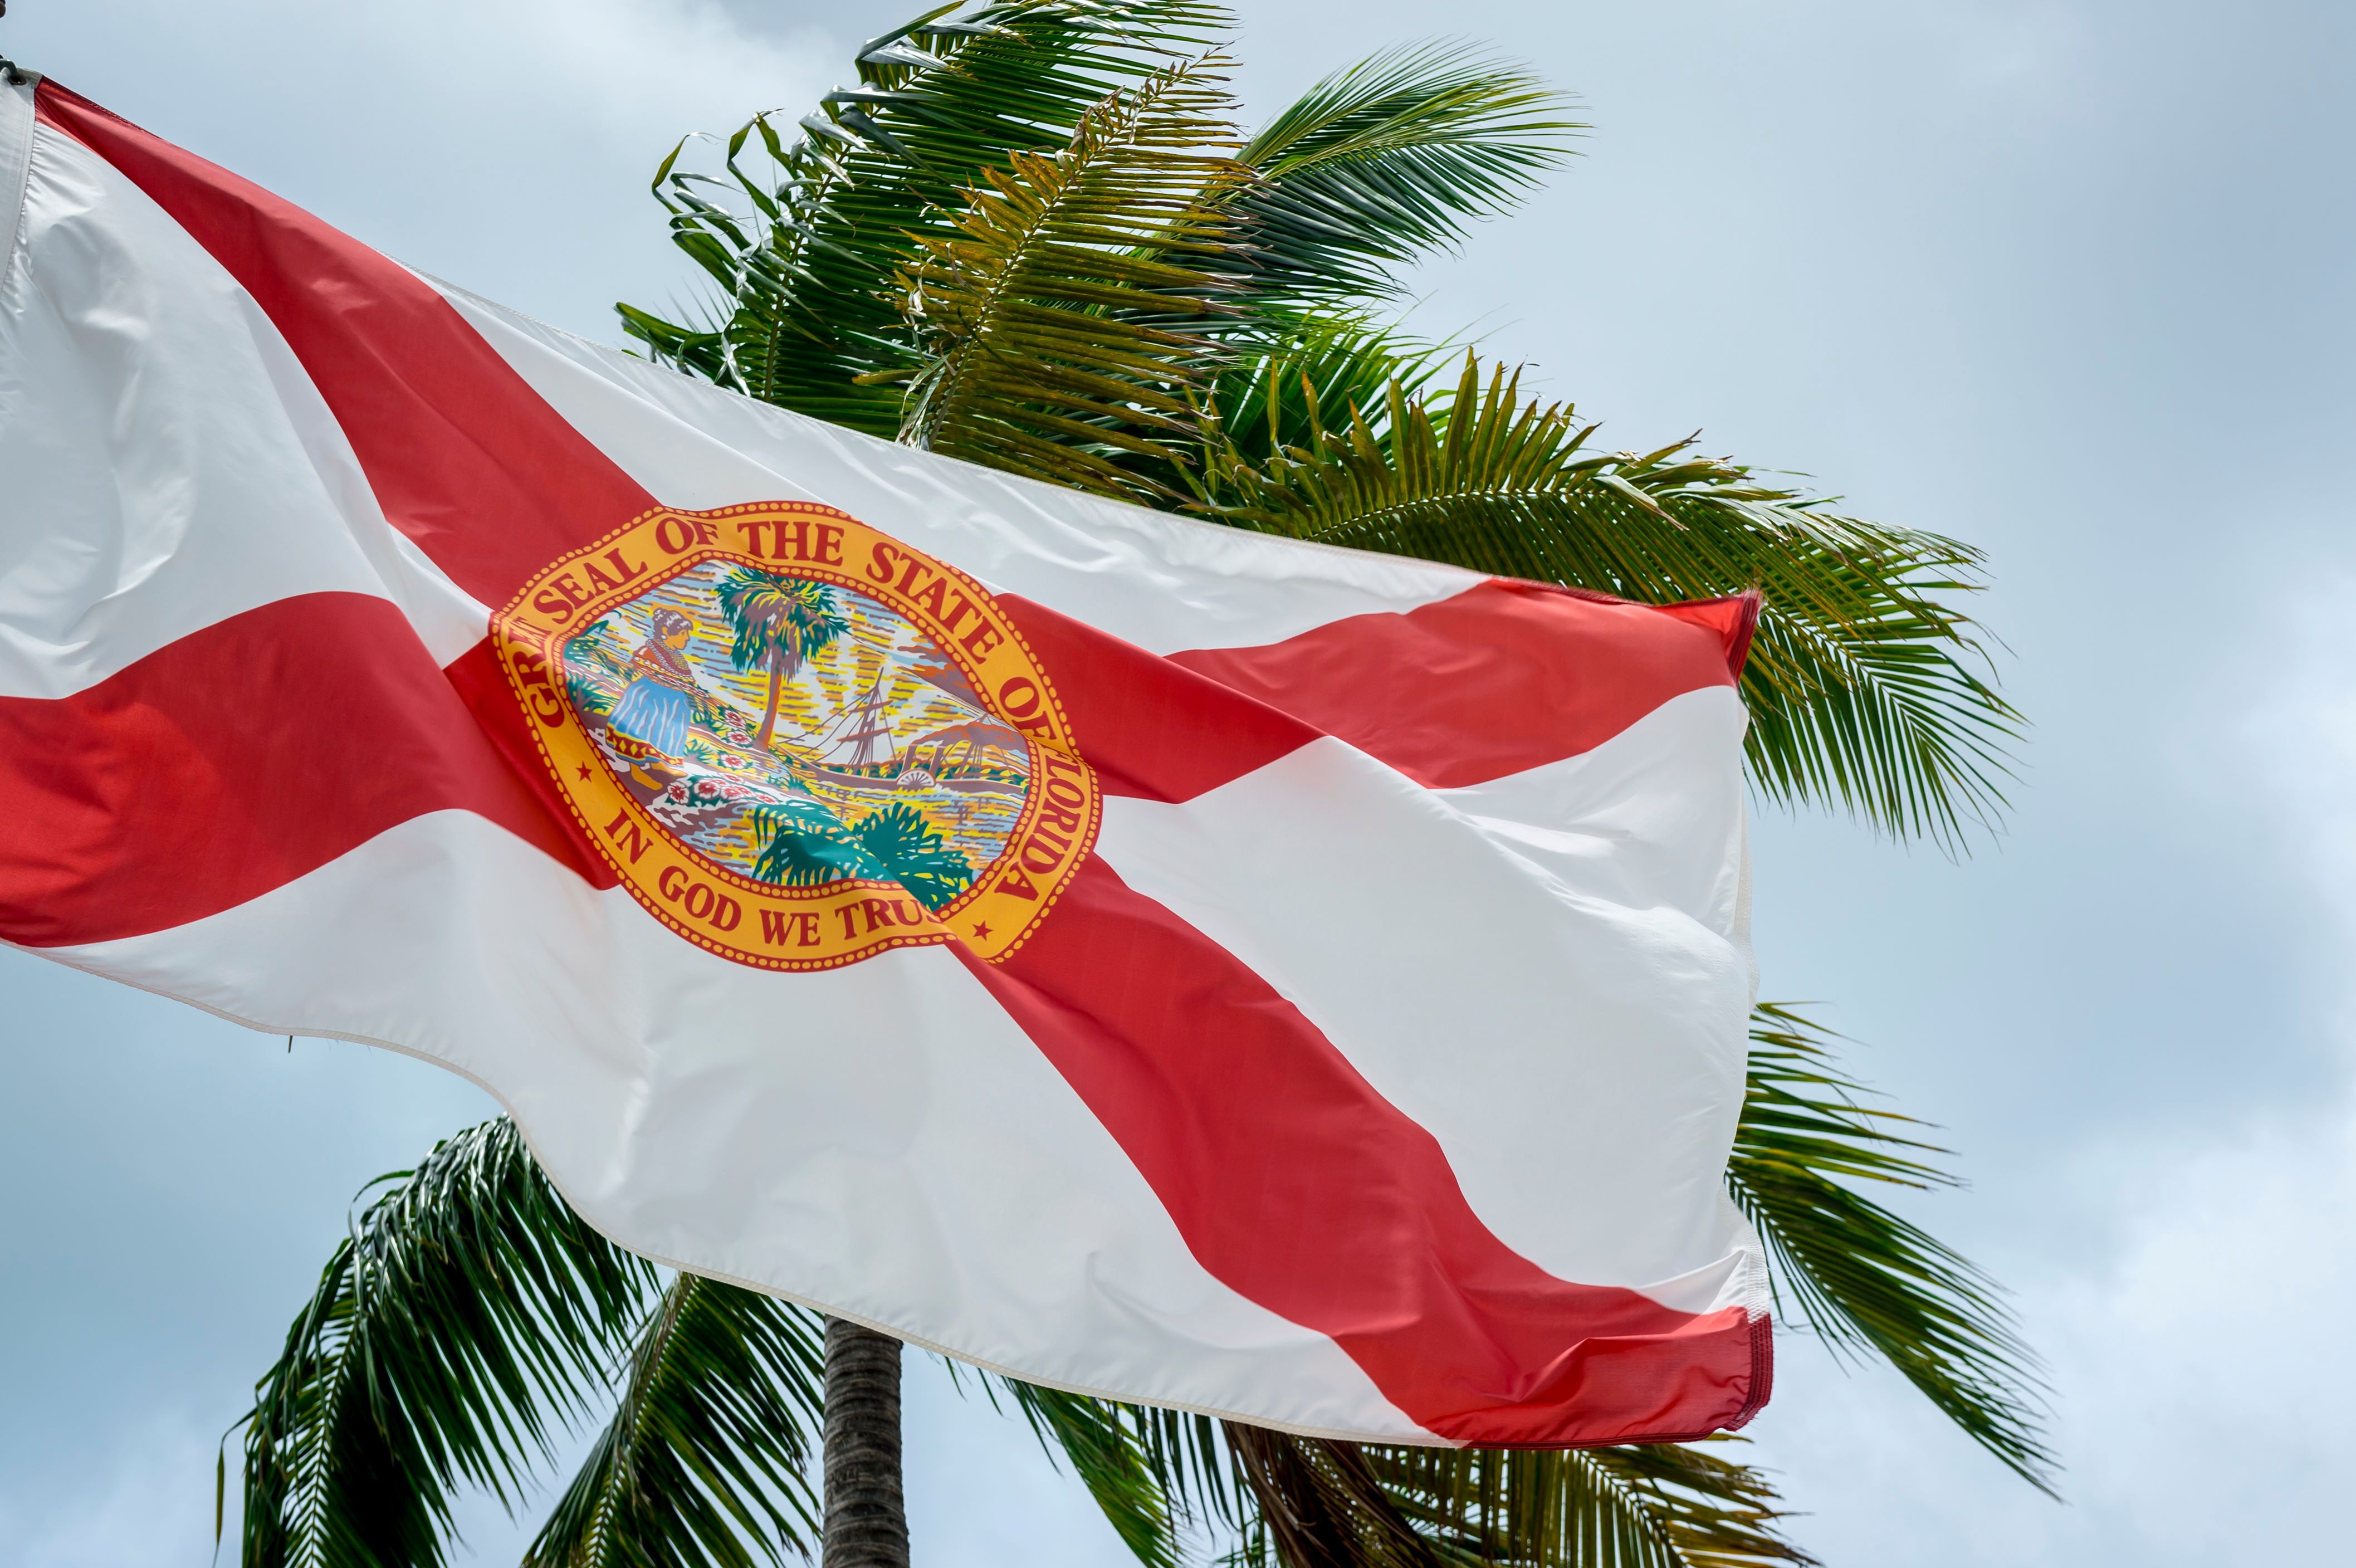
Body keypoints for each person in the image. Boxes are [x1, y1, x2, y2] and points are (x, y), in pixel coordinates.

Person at [604, 607, 702, 788]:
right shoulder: (651, 649)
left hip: (674, 703)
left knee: (666, 733)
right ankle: (636, 770)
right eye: (683, 633)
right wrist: (664, 679)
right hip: (651, 696)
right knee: (643, 728)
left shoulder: (679, 659)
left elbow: (689, 682)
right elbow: (640, 667)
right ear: (666, 632)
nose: (687, 638)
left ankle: (659, 761)